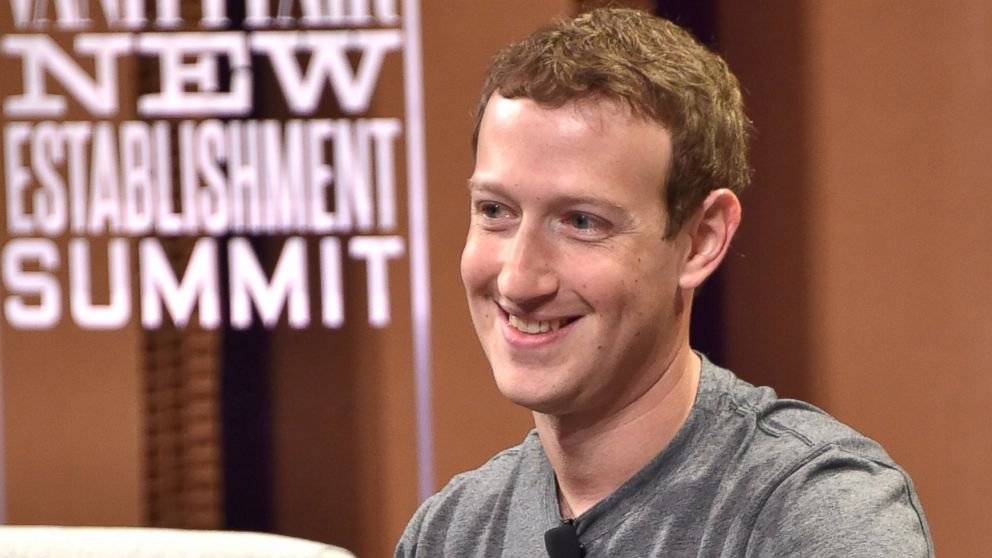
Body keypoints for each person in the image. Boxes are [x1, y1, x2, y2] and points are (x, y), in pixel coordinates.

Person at [396, 7, 932, 557]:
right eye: (495, 210)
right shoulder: (450, 533)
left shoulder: (819, 512)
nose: (518, 277)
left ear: (701, 240)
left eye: (582, 222)